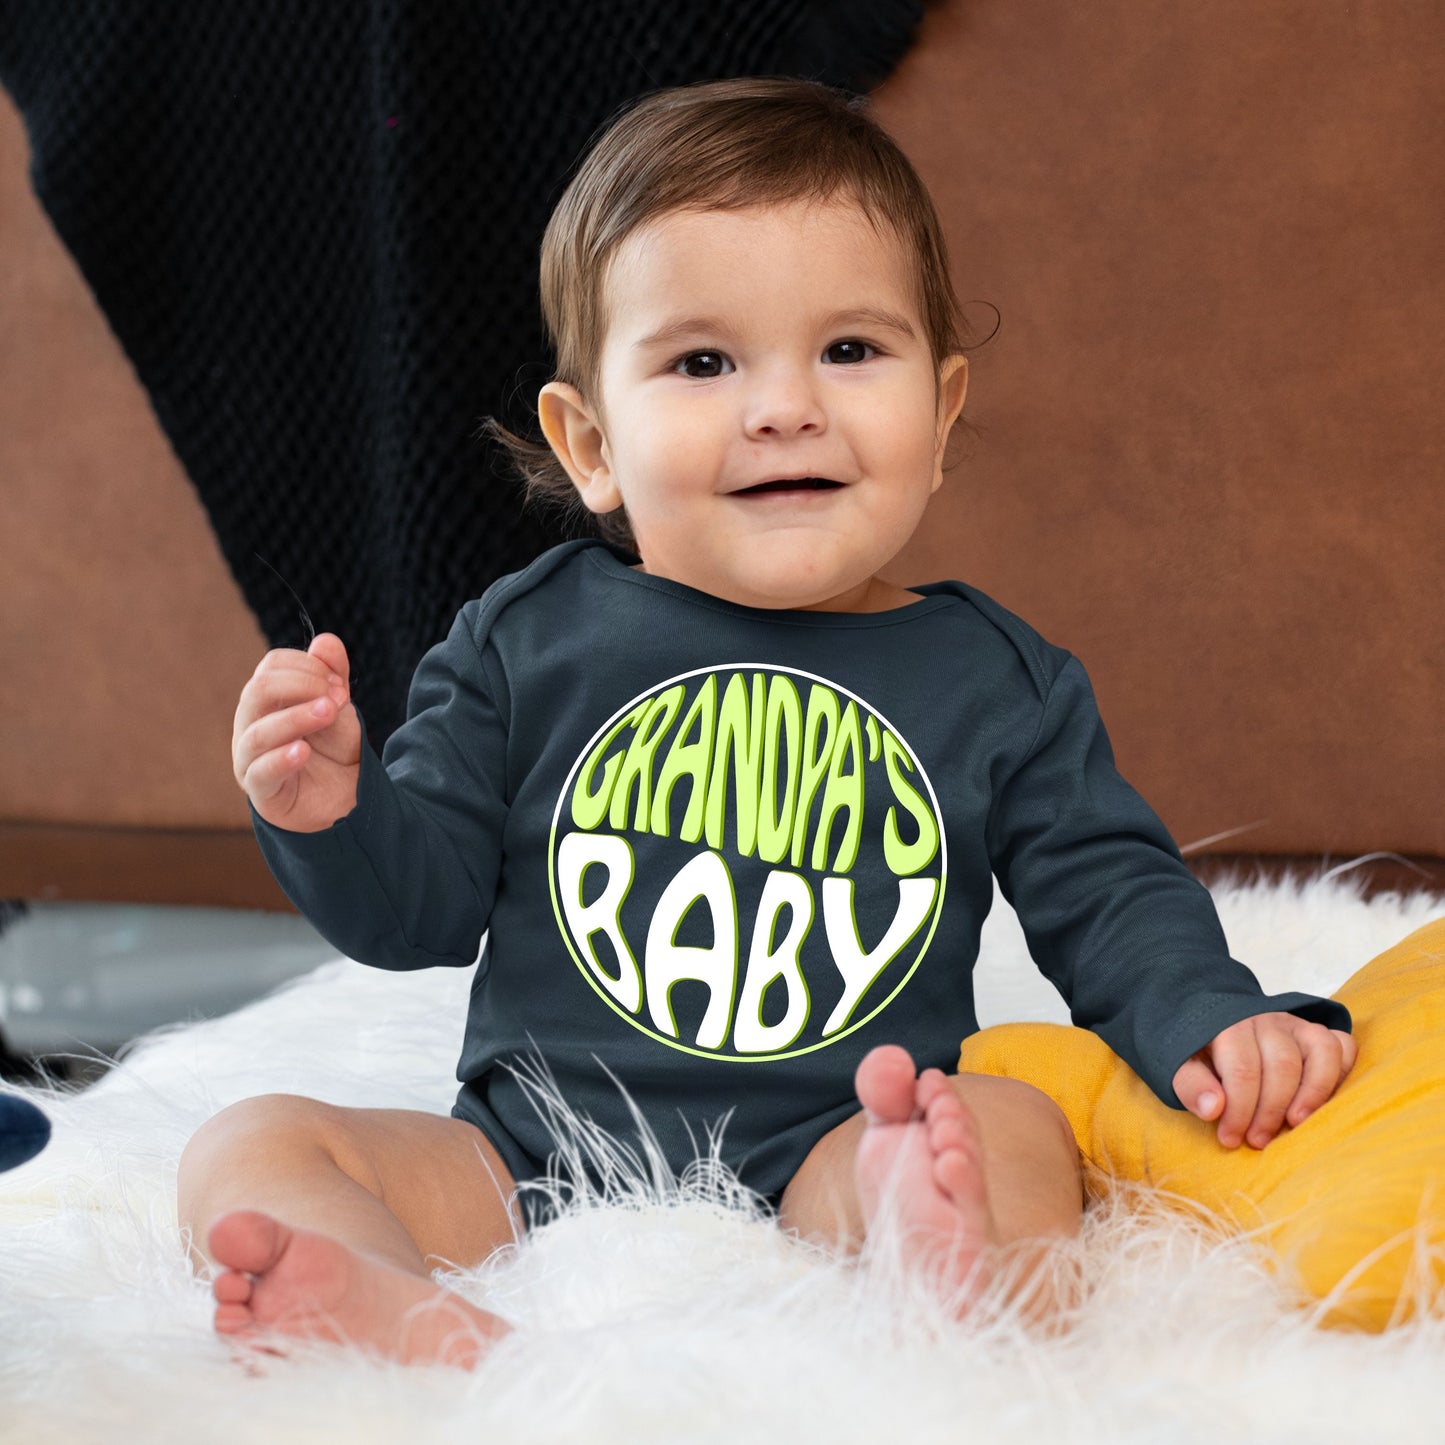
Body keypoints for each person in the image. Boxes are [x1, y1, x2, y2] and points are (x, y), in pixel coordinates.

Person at [180, 77, 1357, 1366]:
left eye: (850, 351)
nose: (786, 405)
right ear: (591, 446)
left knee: (1007, 1126)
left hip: (840, 1142)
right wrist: (335, 814)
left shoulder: (993, 679)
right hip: (530, 1151)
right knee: (252, 1144)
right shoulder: (526, 640)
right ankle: (388, 1307)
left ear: (942, 413)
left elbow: (1110, 891)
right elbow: (418, 913)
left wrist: (1208, 1015)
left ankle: (956, 1273)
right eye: (703, 362)